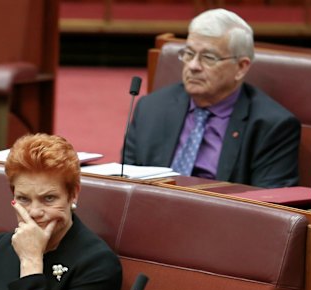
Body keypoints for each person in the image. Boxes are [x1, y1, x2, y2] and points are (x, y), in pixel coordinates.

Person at [123, 8, 300, 188]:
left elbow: (272, 205)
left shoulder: (271, 126)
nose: (193, 66)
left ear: (241, 67)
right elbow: (123, 182)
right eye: (189, 54)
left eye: (208, 57)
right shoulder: (151, 108)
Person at [0, 133, 123, 290]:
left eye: (48, 199)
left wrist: (31, 261)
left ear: (73, 194)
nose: (34, 212)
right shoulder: (0, 248)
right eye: (23, 199)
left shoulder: (97, 264)